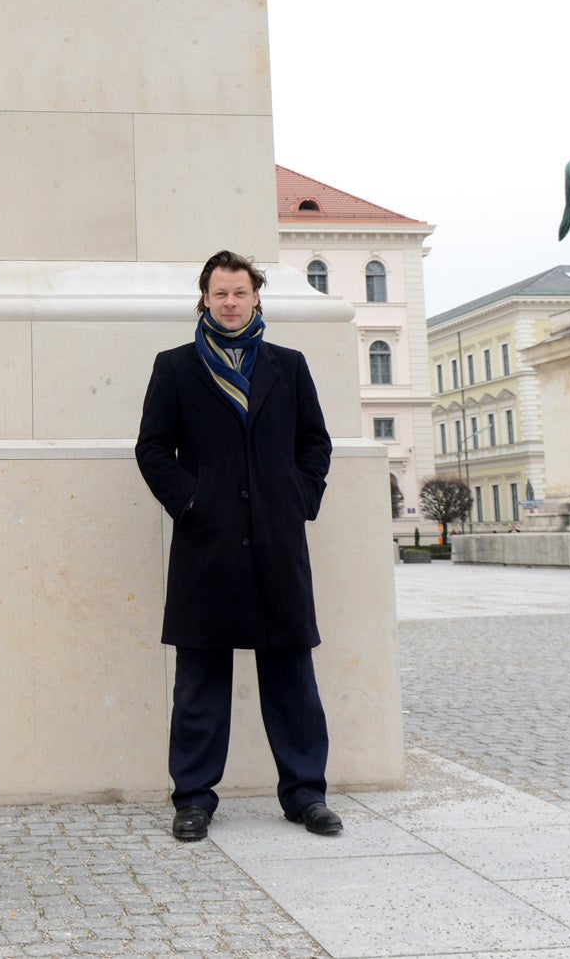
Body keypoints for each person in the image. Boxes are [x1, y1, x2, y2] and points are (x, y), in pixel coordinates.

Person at [135, 250, 343, 842]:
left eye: (240, 293)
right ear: (204, 299)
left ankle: (306, 795)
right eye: (219, 294)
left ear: (257, 299)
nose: (230, 303)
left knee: (292, 678)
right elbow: (152, 449)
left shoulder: (289, 364)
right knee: (200, 682)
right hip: (209, 544)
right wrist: (194, 503)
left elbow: (315, 443)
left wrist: (299, 499)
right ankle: (194, 798)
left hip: (278, 542)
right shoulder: (175, 367)